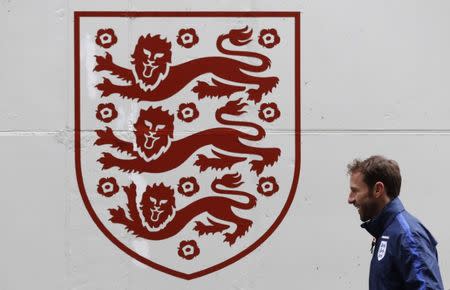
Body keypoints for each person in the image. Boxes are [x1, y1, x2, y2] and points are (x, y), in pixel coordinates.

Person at [347, 155, 444, 290]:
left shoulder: (408, 236)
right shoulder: (387, 232)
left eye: (355, 191)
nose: (350, 199)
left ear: (378, 190)